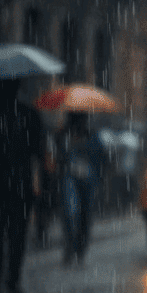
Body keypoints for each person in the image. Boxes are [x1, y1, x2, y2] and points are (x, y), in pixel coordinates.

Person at [0, 78, 46, 293]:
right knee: (16, 234)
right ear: (19, 89)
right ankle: (11, 278)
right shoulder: (29, 114)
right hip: (18, 186)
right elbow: (39, 153)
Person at [57, 111, 105, 264]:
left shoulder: (92, 136)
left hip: (87, 180)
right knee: (70, 214)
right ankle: (72, 247)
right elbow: (57, 156)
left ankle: (78, 248)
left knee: (83, 215)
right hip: (70, 179)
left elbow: (101, 158)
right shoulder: (63, 135)